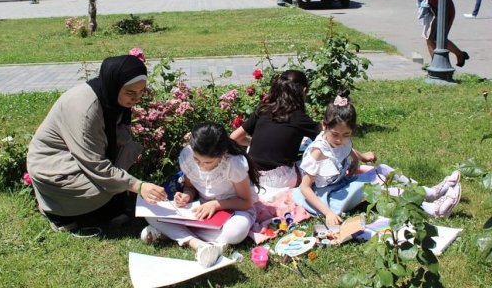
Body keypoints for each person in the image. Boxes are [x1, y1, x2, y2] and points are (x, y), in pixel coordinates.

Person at [27, 55, 167, 234]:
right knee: (98, 190)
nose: (137, 98)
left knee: (125, 155)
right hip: (53, 167)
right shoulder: (85, 109)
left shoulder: (109, 96)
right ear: (114, 84)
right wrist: (139, 186)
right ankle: (58, 213)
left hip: (79, 158)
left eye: (141, 92)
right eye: (131, 93)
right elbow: (95, 164)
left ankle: (103, 208)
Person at [293, 91, 461, 226]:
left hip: (340, 185)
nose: (339, 139)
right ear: (324, 126)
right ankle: (431, 209)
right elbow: (305, 188)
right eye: (335, 134)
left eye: (346, 134)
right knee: (379, 185)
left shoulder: (341, 140)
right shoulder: (317, 152)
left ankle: (429, 192)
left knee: (383, 169)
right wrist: (328, 213)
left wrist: (358, 158)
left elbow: (346, 147)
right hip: (328, 199)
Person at [140, 122, 261, 267]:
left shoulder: (233, 163)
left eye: (208, 162)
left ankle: (175, 234)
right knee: (150, 212)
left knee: (236, 231)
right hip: (201, 210)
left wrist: (216, 205)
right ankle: (199, 244)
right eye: (197, 160)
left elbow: (246, 202)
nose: (201, 166)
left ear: (222, 154)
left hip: (233, 210)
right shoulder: (187, 155)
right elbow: (190, 187)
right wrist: (186, 196)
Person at [230, 70, 320, 199]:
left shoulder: (263, 109)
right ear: (304, 91)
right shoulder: (300, 119)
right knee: (314, 156)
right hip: (279, 179)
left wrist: (255, 142)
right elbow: (329, 140)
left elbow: (233, 138)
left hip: (251, 175)